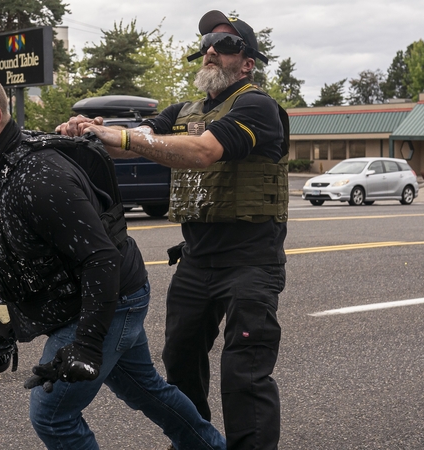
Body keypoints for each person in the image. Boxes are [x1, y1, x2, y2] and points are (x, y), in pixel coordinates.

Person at [0, 70, 225, 450]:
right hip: (74, 297)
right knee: (146, 390)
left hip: (111, 297)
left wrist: (87, 345)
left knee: (52, 414)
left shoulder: (40, 176)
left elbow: (101, 260)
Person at [58, 10, 288, 450]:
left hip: (250, 262)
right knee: (180, 361)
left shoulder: (256, 105)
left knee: (244, 372)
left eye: (226, 44)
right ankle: (195, 444)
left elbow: (203, 151)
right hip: (197, 259)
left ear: (247, 63)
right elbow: (136, 141)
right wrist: (92, 132)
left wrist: (123, 138)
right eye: (206, 44)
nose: (211, 50)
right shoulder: (183, 111)